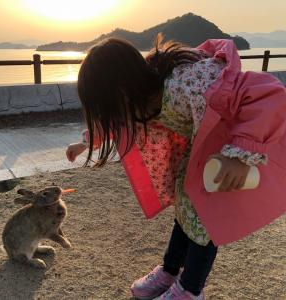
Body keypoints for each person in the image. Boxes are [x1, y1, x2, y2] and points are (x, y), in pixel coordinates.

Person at [66, 35, 286, 299]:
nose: (108, 115)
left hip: (240, 149)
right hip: (203, 152)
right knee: (185, 204)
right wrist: (86, 142)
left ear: (121, 91)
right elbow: (116, 123)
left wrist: (240, 154)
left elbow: (269, 93)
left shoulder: (188, 82)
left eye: (106, 107)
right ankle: (170, 271)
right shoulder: (137, 100)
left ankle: (190, 289)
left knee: (205, 219)